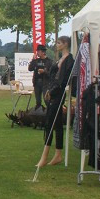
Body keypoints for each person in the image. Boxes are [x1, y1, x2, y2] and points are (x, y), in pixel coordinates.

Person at [36, 36, 75, 168]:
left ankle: (44, 156)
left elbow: (62, 81)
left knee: (49, 124)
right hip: (53, 92)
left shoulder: (69, 60)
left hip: (58, 94)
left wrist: (51, 91)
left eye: (59, 43)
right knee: (57, 124)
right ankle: (58, 154)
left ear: (65, 44)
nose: (56, 45)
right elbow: (54, 76)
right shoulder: (60, 59)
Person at [28, 44, 52, 109]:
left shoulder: (49, 61)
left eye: (38, 51)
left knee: (46, 99)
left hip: (45, 83)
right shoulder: (36, 61)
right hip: (37, 83)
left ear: (43, 52)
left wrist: (44, 71)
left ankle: (50, 112)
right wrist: (33, 59)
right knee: (38, 100)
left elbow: (51, 73)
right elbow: (30, 69)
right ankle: (39, 113)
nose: (37, 53)